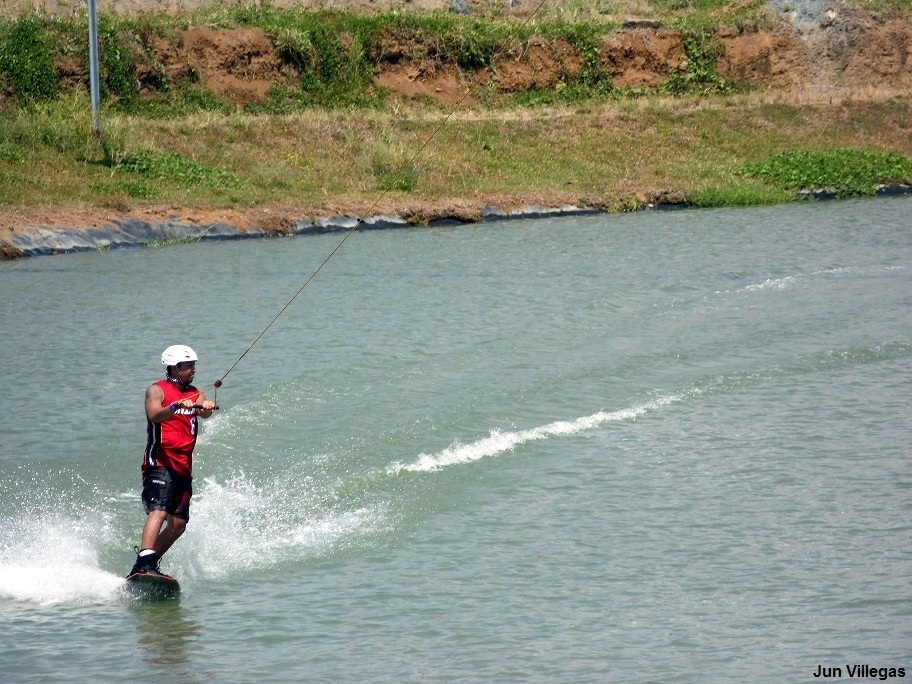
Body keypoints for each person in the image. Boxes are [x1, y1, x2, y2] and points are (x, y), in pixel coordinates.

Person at [128, 344, 216, 578]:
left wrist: (205, 407)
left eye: (194, 366)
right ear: (175, 368)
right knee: (158, 509)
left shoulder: (195, 392)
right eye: (189, 367)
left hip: (183, 468)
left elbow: (205, 412)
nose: (194, 371)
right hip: (160, 462)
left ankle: (146, 564)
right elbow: (154, 414)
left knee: (178, 525)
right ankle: (145, 561)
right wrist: (176, 405)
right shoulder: (157, 390)